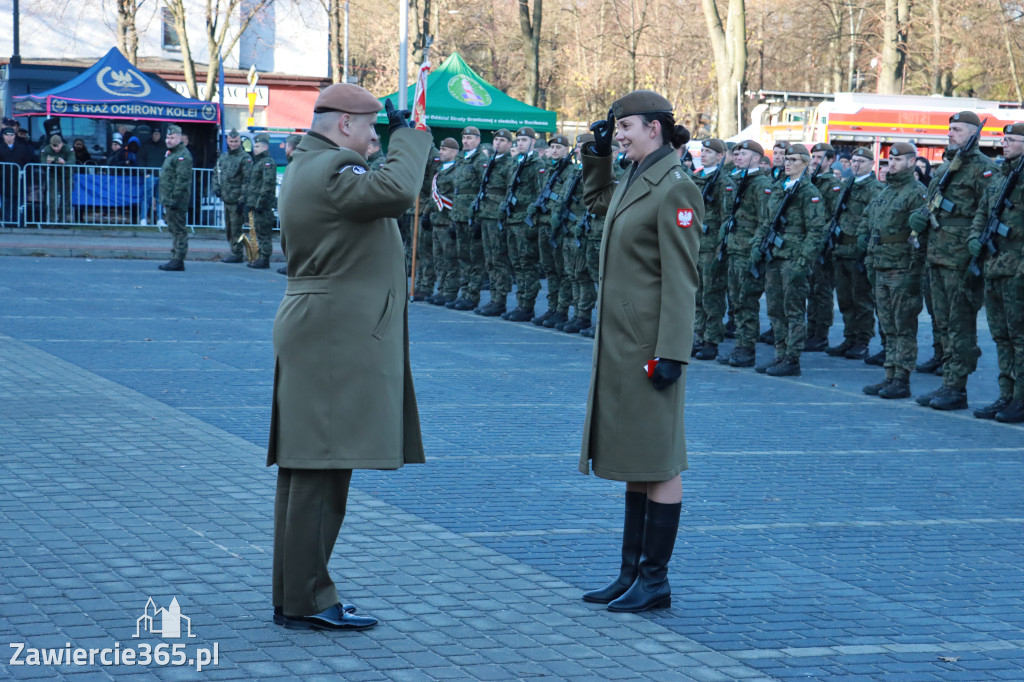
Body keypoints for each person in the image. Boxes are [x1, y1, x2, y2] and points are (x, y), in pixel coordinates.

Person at [267, 82, 431, 632]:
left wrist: (389, 142)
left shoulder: (311, 164)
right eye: (369, 130)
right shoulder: (334, 169)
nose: (371, 141)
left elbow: (379, 187)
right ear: (343, 125)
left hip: (321, 331)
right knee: (321, 470)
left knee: (307, 469)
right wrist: (409, 137)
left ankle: (295, 594)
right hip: (332, 336)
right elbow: (397, 189)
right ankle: (309, 598)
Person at [578, 90, 702, 614]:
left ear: (655, 128)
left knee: (660, 460)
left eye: (625, 126)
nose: (620, 133)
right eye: (615, 127)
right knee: (637, 457)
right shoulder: (635, 176)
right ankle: (630, 573)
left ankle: (655, 580)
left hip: (651, 345)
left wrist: (672, 351)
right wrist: (598, 155)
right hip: (624, 343)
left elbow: (682, 279)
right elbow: (597, 204)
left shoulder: (676, 187)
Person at [909, 111, 998, 410]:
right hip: (936, 257)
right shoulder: (947, 167)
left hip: (960, 260)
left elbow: (987, 216)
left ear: (974, 134)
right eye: (950, 129)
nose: (950, 134)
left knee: (960, 326)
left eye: (957, 130)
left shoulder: (984, 171)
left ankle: (957, 387)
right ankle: (948, 381)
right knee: (943, 324)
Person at [751, 144, 828, 376]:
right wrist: (757, 246)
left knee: (793, 311)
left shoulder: (809, 193)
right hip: (774, 257)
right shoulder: (778, 188)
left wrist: (803, 262)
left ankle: (792, 359)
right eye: (786, 158)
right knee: (775, 309)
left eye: (793, 159)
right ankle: (780, 354)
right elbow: (766, 222)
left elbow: (816, 231)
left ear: (805, 164)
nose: (787, 162)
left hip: (794, 259)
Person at [859, 143, 928, 399]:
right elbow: (873, 227)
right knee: (888, 326)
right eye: (890, 160)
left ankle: (902, 379)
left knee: (904, 327)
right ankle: (889, 375)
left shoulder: (917, 193)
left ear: (912, 162)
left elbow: (920, 239)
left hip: (902, 268)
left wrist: (914, 274)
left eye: (898, 161)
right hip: (880, 266)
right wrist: (869, 259)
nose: (892, 165)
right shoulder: (886, 191)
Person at [966, 123, 1024, 422]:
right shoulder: (1001, 178)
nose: (1005, 144)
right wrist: (975, 237)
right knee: (1001, 337)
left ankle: (1020, 399)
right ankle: (1006, 395)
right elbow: (982, 214)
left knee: (1020, 339)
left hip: (1017, 271)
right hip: (995, 267)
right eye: (1005, 140)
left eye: (1012, 140)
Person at [716, 140, 773, 367]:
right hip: (734, 248)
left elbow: (765, 220)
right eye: (737, 153)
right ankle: (740, 346)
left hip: (748, 250)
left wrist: (756, 249)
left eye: (744, 154)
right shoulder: (738, 179)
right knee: (736, 301)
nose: (738, 157)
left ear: (757, 159)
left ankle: (746, 349)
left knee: (746, 301)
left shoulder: (761, 185)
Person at [826, 147, 883, 360]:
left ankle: (862, 341)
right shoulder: (846, 185)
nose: (857, 164)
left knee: (862, 300)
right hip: (841, 250)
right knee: (844, 299)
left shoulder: (874, 188)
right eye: (854, 161)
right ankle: (849, 337)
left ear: (871, 164)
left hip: (858, 251)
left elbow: (873, 222)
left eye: (861, 161)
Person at [690, 138, 731, 360]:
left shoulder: (723, 181)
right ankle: (698, 335)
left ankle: (711, 340)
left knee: (711, 295)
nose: (703, 154)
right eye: (702, 151)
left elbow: (726, 217)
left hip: (711, 246)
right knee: (696, 295)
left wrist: (720, 247)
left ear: (719, 155)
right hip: (694, 245)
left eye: (708, 151)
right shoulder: (695, 178)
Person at [502, 127, 546, 321]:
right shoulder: (515, 163)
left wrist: (532, 223)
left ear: (532, 143)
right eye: (518, 140)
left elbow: (540, 195)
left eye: (524, 140)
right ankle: (521, 303)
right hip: (512, 220)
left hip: (524, 222)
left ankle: (527, 305)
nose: (519, 143)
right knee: (517, 264)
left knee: (527, 264)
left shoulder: (537, 164)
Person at [532, 134, 575, 327]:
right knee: (549, 269)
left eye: (559, 147)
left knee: (562, 270)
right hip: (543, 223)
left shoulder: (571, 171)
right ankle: (552, 307)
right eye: (553, 147)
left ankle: (562, 309)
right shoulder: (548, 169)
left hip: (557, 226)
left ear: (567, 149)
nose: (555, 150)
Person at [473, 129, 517, 316]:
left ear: (509, 144)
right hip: (486, 215)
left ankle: (500, 299)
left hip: (497, 216)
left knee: (499, 259)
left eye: (502, 140)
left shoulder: (510, 164)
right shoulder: (491, 161)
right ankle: (493, 297)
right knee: (489, 260)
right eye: (496, 140)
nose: (498, 143)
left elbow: (510, 190)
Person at [447, 126, 490, 311]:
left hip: (472, 215)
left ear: (478, 140)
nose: (466, 141)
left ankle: (472, 295)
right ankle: (463, 293)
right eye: (464, 138)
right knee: (462, 256)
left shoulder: (481, 160)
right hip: (459, 214)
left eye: (470, 138)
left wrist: (479, 217)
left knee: (474, 258)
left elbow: (484, 189)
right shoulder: (460, 159)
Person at [427, 138, 461, 305]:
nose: (440, 152)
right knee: (439, 259)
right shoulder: (439, 169)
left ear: (454, 152)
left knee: (450, 259)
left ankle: (450, 291)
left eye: (445, 149)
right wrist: (427, 214)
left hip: (448, 221)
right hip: (437, 221)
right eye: (440, 148)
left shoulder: (456, 171)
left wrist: (454, 221)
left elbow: (455, 198)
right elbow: (433, 195)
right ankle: (441, 289)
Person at [213, 130, 254, 264]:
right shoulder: (224, 157)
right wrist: (217, 188)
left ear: (240, 141)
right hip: (226, 198)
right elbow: (216, 173)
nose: (233, 144)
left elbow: (247, 180)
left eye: (236, 141)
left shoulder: (245, 158)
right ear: (227, 142)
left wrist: (243, 199)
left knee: (237, 228)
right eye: (231, 142)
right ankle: (233, 250)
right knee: (229, 227)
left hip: (237, 199)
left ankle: (237, 253)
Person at [157, 125, 193, 271]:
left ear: (179, 138)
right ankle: (175, 257)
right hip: (169, 198)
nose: (169, 140)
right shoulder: (172, 154)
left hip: (176, 200)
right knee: (174, 230)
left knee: (179, 230)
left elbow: (181, 180)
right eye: (168, 137)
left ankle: (178, 259)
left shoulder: (182, 155)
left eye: (172, 138)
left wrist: (174, 199)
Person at [243, 133, 278, 269]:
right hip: (255, 203)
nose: (254, 149)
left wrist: (260, 202)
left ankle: (264, 258)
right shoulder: (258, 162)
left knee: (264, 233)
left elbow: (267, 184)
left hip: (262, 204)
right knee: (258, 231)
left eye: (257, 146)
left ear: (264, 147)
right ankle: (261, 256)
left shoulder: (267, 162)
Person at [276, 134, 304, 275]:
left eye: (287, 146)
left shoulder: (296, 164)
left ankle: (294, 267)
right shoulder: (298, 163)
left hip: (296, 211)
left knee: (295, 240)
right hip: (294, 210)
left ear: (292, 148)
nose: (285, 149)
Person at [0, 126, 34, 225]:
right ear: (3, 136)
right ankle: (6, 222)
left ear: (15, 136)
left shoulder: (22, 148)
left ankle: (19, 222)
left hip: (19, 179)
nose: (9, 137)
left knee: (19, 202)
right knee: (6, 202)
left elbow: (28, 162)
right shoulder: (0, 147)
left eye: (12, 135)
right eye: (7, 135)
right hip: (4, 179)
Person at [40, 134, 76, 224]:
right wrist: (47, 162)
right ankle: (52, 221)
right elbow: (43, 160)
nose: (56, 149)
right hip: (53, 175)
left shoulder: (68, 148)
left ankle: (63, 220)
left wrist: (64, 162)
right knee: (52, 198)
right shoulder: (47, 149)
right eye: (54, 146)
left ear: (62, 143)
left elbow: (72, 160)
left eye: (58, 146)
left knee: (66, 199)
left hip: (66, 176)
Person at [138, 126, 165, 225]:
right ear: (152, 134)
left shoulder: (164, 145)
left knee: (160, 199)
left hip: (161, 176)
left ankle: (160, 219)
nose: (157, 135)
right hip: (150, 175)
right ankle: (143, 218)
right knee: (146, 198)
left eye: (158, 134)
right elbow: (140, 159)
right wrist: (145, 172)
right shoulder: (145, 145)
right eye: (155, 134)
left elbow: (168, 160)